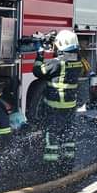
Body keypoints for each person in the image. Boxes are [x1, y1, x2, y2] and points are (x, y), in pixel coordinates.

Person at [33, 29, 83, 175]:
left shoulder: (57, 64)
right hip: (70, 109)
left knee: (52, 138)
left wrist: (40, 54)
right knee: (68, 137)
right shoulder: (78, 63)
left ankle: (50, 168)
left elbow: (38, 71)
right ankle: (67, 166)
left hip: (54, 109)